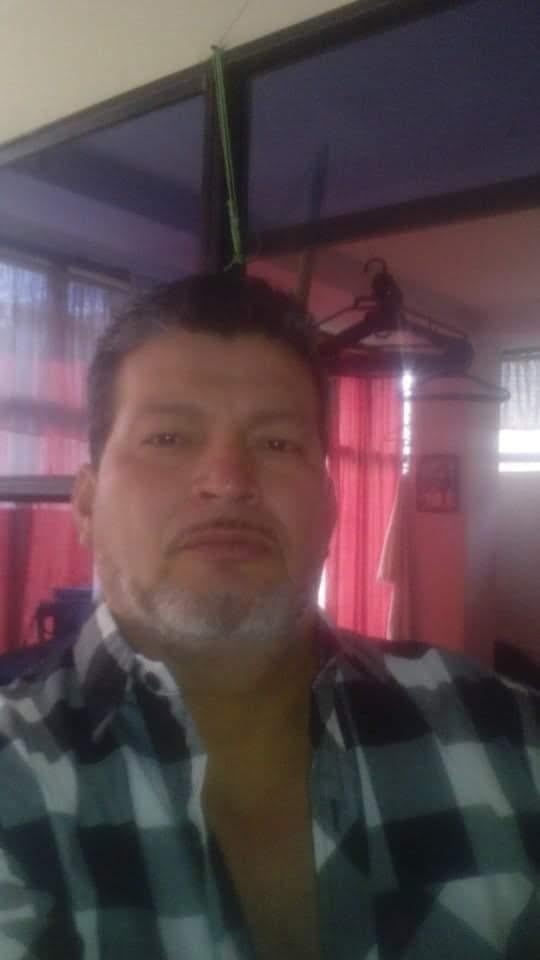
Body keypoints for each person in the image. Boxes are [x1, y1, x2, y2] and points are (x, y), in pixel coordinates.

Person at [0, 272, 538, 960]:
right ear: (85, 504)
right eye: (169, 437)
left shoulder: (502, 734)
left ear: (331, 506)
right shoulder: (17, 775)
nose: (228, 480)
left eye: (278, 443)